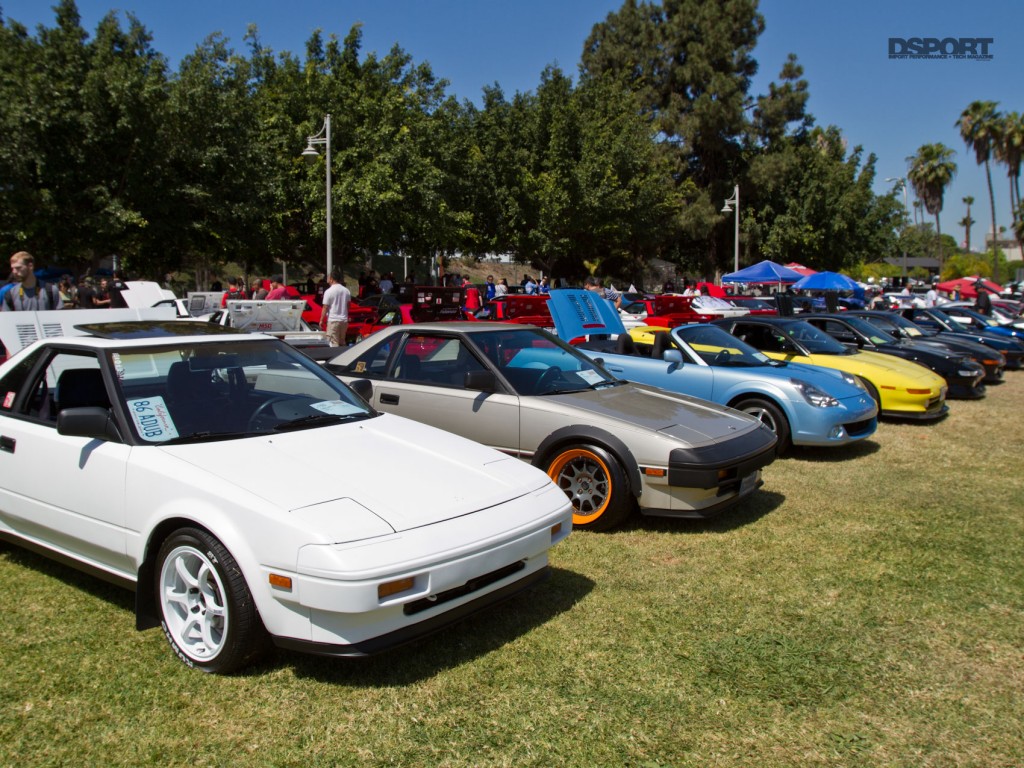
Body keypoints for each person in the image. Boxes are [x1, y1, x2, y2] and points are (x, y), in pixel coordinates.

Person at [319, 268, 351, 347]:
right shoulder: (346, 291)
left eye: (329, 278)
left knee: (333, 342)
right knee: (342, 342)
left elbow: (325, 307)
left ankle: (336, 358)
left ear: (332, 279)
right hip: (344, 320)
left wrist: (321, 320)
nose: (328, 280)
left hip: (333, 320)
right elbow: (348, 305)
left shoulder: (329, 291)